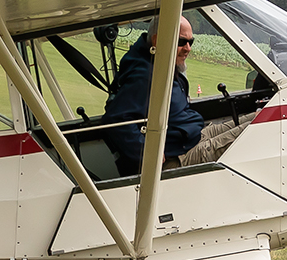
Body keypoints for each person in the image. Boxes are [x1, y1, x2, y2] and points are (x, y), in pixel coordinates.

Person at [102, 18, 251, 176]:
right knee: (258, 134)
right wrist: (148, 152)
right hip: (178, 157)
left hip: (191, 137)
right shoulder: (146, 75)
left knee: (259, 119)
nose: (188, 48)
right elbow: (115, 120)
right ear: (157, 40)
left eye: (190, 42)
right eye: (181, 41)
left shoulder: (158, 62)